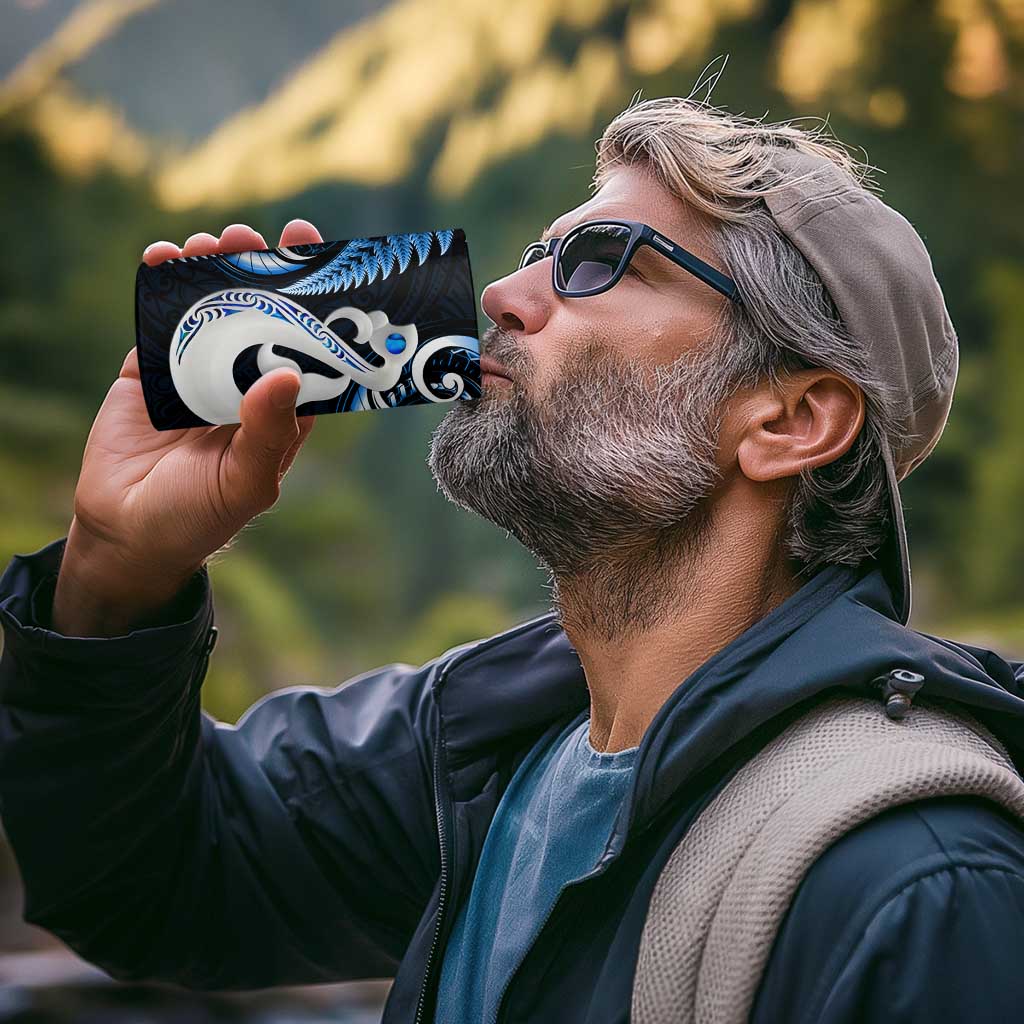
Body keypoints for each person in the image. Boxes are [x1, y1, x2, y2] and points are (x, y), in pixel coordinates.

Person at [2, 95, 1024, 1024]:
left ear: (791, 419)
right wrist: (116, 570)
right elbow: (149, 880)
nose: (501, 290)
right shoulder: (480, 749)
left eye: (599, 262)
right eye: (540, 251)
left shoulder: (918, 884)